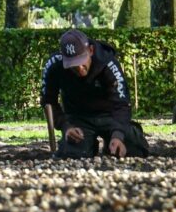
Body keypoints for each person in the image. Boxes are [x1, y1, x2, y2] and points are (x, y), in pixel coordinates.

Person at [41, 29, 149, 159]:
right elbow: (48, 101)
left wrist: (118, 134)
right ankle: (88, 145)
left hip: (110, 116)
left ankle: (112, 141)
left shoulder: (108, 63)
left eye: (82, 61)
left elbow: (122, 103)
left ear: (91, 51)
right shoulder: (54, 66)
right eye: (73, 64)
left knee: (134, 147)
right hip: (78, 119)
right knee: (72, 153)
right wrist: (66, 126)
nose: (79, 68)